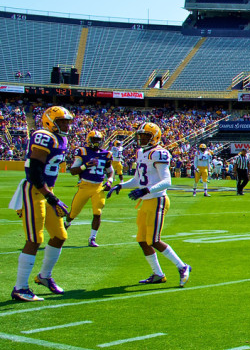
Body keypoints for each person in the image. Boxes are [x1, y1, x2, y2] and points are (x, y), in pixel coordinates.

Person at [107, 122, 192, 286]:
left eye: (146, 136)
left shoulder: (160, 153)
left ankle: (182, 266)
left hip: (158, 199)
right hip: (146, 201)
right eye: (141, 135)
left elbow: (167, 181)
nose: (142, 139)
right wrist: (120, 186)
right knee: (142, 239)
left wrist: (146, 190)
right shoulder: (141, 152)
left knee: (153, 239)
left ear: (155, 137)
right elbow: (138, 180)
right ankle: (158, 274)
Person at [9, 106, 73, 301]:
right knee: (35, 239)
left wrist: (50, 195)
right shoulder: (43, 136)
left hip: (46, 191)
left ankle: (44, 276)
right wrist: (50, 197)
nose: (65, 125)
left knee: (60, 235)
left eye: (67, 121)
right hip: (35, 191)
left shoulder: (61, 138)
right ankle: (20, 288)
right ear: (49, 121)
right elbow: (35, 171)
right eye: (61, 121)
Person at [66, 129, 114, 247]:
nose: (96, 142)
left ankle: (92, 238)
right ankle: (64, 226)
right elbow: (72, 171)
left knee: (97, 213)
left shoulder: (106, 154)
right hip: (85, 186)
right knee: (73, 213)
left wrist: (110, 181)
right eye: (94, 140)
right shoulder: (82, 151)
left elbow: (110, 171)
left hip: (98, 187)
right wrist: (85, 166)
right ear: (89, 140)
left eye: (98, 140)